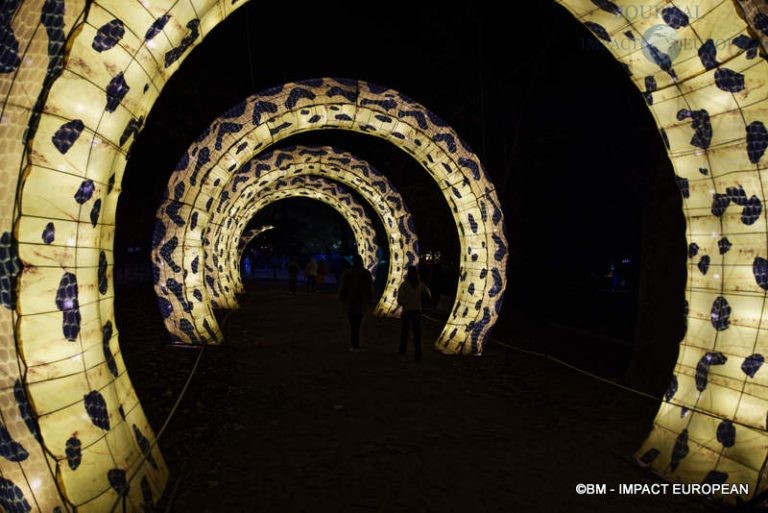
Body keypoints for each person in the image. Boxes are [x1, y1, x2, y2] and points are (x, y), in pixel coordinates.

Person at [338, 254, 373, 352]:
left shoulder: (348, 273)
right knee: (357, 324)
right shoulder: (366, 273)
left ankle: (354, 344)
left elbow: (344, 287)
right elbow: (369, 289)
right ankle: (356, 344)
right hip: (361, 302)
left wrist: (342, 297)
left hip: (350, 301)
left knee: (352, 324)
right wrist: (370, 301)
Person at [397, 266, 431, 362]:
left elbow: (400, 300)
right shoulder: (420, 285)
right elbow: (428, 294)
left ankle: (402, 350)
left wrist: (406, 301)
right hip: (417, 311)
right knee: (417, 333)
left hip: (407, 311)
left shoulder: (404, 285)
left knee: (405, 332)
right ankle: (418, 353)